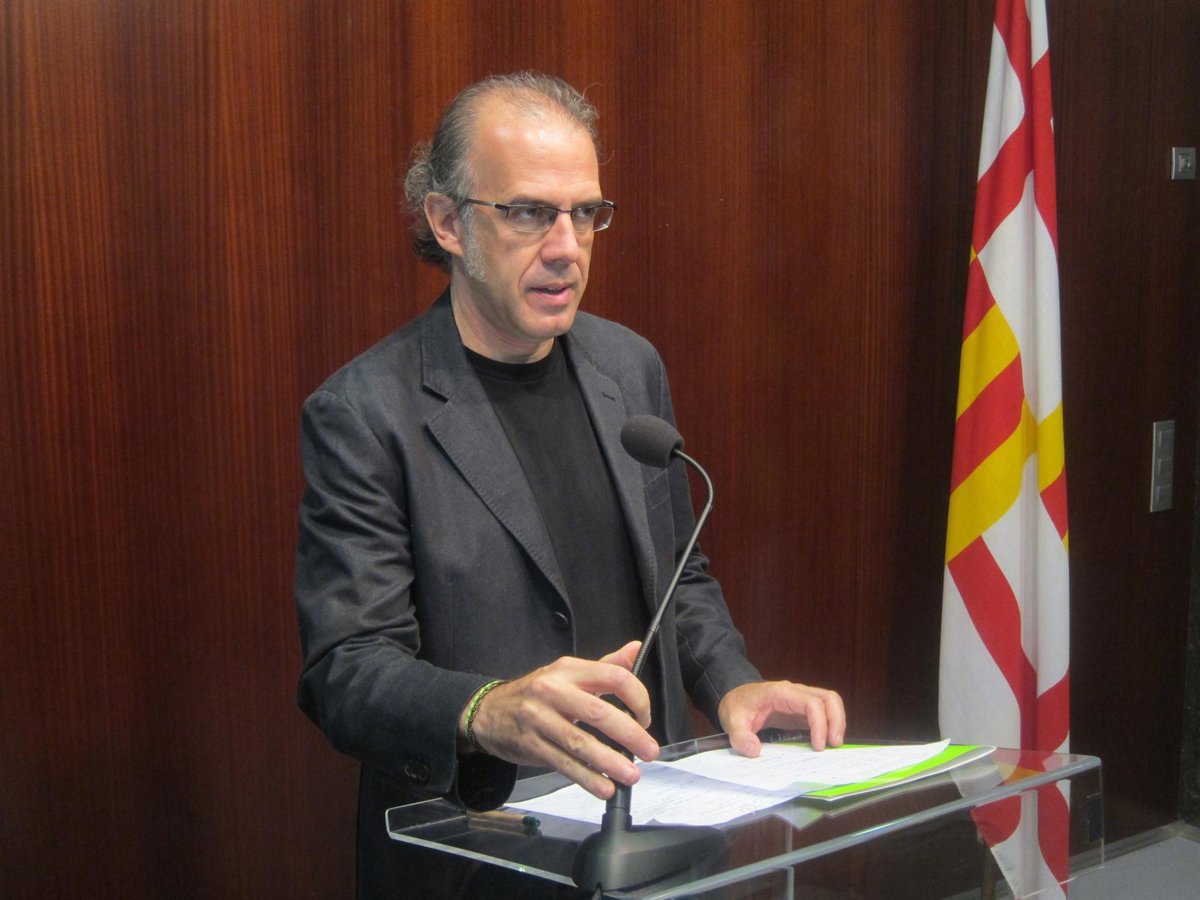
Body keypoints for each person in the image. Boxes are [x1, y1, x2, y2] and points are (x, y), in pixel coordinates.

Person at [294, 71, 846, 897]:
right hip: (478, 860)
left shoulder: (629, 365)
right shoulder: (366, 412)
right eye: (527, 213)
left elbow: (679, 576)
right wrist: (487, 710)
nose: (566, 246)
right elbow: (346, 669)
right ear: (447, 222)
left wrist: (735, 684)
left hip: (651, 846)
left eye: (585, 213)